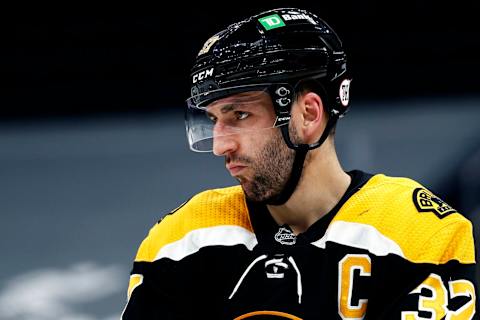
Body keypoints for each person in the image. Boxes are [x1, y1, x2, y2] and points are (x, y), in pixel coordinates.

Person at [121, 7, 478, 319]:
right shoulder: (181, 242)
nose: (220, 145)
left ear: (308, 113)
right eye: (214, 119)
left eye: (240, 115)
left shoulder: (419, 235)